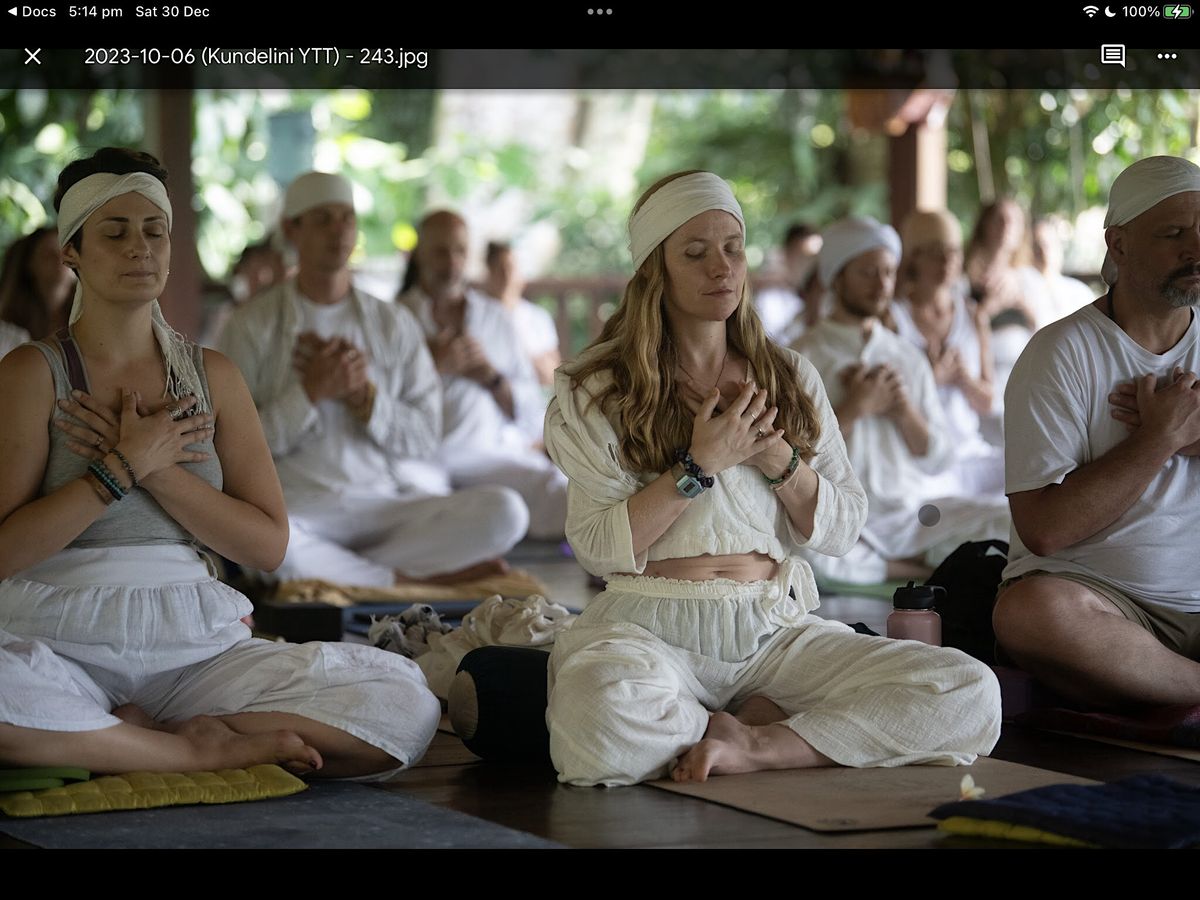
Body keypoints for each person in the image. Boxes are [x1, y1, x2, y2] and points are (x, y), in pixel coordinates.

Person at [543, 171, 1000, 787]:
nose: (721, 268)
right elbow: (599, 550)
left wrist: (777, 460)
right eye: (695, 253)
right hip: (648, 625)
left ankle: (759, 745)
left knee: (969, 690)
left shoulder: (789, 375)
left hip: (773, 629)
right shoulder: (598, 388)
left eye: (733, 248)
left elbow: (841, 528)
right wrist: (698, 466)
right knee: (598, 723)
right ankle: (755, 721)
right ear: (656, 270)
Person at [0, 148, 440, 778]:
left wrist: (157, 469)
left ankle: (122, 739)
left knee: (403, 703)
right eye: (115, 233)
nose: (139, 248)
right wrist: (118, 470)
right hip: (57, 637)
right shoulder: (32, 373)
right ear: (72, 251)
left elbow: (267, 546)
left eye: (154, 232)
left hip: (193, 650)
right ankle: (187, 751)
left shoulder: (213, 375)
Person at [220, 173, 527, 587]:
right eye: (323, 219)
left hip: (383, 505)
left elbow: (424, 436)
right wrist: (310, 393)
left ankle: (351, 575)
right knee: (270, 547)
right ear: (292, 229)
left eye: (347, 218)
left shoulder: (392, 323)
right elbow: (233, 450)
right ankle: (405, 580)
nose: (339, 231)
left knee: (506, 512)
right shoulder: (251, 325)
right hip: (300, 508)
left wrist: (363, 396)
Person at [993, 156, 1200, 709]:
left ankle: (1168, 688)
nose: (1196, 249)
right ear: (1118, 244)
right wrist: (1159, 439)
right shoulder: (1060, 353)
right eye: (1174, 234)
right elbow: (1044, 530)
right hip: (1102, 605)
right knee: (1030, 614)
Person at [797, 216, 1009, 584]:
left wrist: (903, 410)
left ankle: (908, 565)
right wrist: (854, 409)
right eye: (867, 272)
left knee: (1007, 523)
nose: (881, 284)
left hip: (914, 516)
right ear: (836, 276)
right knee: (804, 551)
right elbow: (791, 460)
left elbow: (939, 459)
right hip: (841, 517)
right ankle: (918, 571)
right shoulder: (802, 357)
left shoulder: (905, 356)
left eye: (888, 272)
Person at [399, 211, 567, 540]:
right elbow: (374, 402)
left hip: (487, 456)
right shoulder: (395, 317)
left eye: (460, 251)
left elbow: (532, 408)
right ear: (418, 254)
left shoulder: (495, 317)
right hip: (418, 462)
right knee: (402, 499)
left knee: (560, 491)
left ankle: (476, 529)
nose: (451, 262)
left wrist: (491, 377)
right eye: (440, 251)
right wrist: (431, 366)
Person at [893, 209, 1005, 496]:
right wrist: (931, 379)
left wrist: (964, 379)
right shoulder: (894, 320)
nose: (947, 261)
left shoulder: (973, 315)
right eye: (935, 253)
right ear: (914, 257)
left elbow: (989, 402)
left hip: (972, 453)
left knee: (1032, 478)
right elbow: (888, 402)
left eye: (953, 252)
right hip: (922, 464)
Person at [482, 241, 561, 388]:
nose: (506, 276)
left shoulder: (538, 317)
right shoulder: (477, 315)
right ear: (489, 272)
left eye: (511, 268)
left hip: (531, 396)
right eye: (500, 269)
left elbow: (552, 376)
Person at [0, 226, 74, 340]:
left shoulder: (89, 316)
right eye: (49, 255)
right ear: (29, 264)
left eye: (67, 253)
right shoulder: (8, 330)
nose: (60, 260)